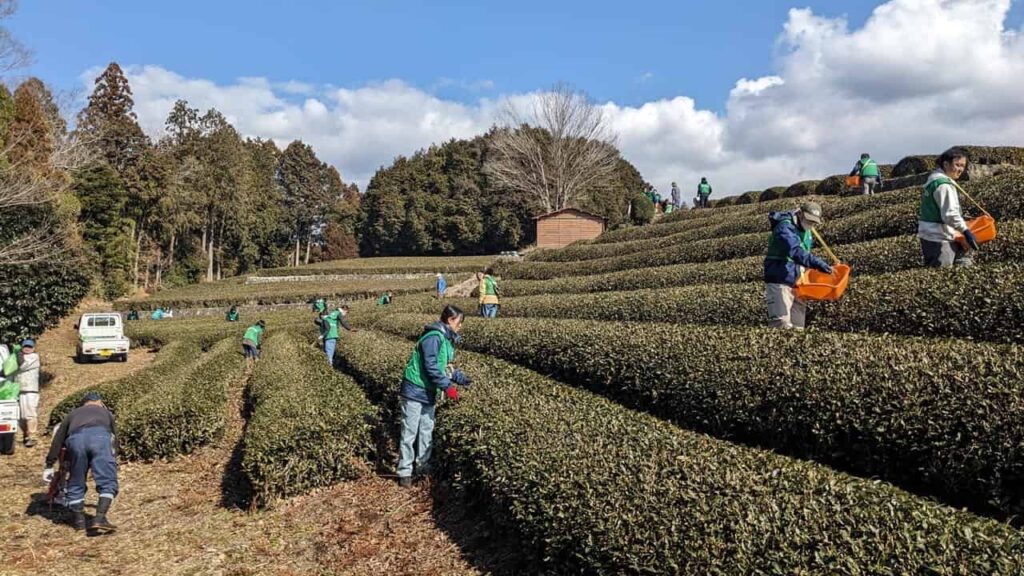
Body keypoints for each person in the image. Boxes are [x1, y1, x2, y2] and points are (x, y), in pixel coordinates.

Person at [396, 305, 471, 487]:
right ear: (450, 320)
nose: (460, 327)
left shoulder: (445, 339)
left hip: (428, 391)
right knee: (410, 431)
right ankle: (405, 472)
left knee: (426, 430)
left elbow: (445, 367)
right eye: (459, 323)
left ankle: (423, 467)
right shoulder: (433, 338)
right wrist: (448, 388)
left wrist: (464, 380)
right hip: (415, 389)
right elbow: (431, 368)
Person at [44, 391, 118, 533]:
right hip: (100, 438)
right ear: (99, 402)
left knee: (76, 480)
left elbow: (58, 440)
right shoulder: (107, 413)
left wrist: (49, 464)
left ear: (84, 403)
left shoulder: (72, 414)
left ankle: (79, 521)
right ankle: (100, 517)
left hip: (75, 440)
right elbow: (115, 437)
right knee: (107, 481)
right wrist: (114, 458)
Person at [764, 202, 833, 330]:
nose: (810, 224)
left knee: (798, 328)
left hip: (799, 283)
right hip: (780, 280)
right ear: (800, 214)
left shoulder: (808, 230)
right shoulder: (784, 227)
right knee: (781, 325)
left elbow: (804, 252)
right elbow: (795, 251)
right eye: (808, 220)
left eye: (813, 222)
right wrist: (817, 263)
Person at [919, 147, 977, 267]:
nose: (960, 169)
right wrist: (966, 231)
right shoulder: (943, 185)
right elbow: (949, 214)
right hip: (939, 237)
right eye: (957, 165)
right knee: (942, 270)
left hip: (930, 233)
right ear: (946, 164)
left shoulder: (934, 180)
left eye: (963, 165)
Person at [16, 339, 40, 448]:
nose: (27, 348)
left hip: (31, 390)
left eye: (29, 347)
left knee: (31, 413)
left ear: (33, 348)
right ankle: (25, 436)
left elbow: (23, 366)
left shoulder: (34, 357)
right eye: (25, 346)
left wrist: (18, 355)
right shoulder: (19, 356)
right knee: (22, 415)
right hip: (21, 390)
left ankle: (33, 436)